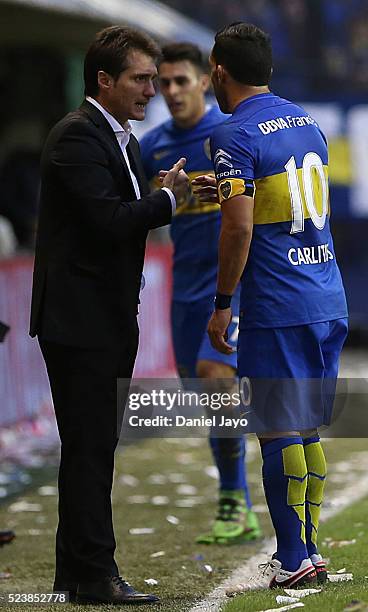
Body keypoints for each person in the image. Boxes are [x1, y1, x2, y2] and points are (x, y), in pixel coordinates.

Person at [29, 26, 188, 606]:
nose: (152, 90)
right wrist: (167, 201)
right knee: (91, 449)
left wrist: (156, 194)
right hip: (80, 322)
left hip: (106, 317)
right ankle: (95, 573)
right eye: (141, 79)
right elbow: (111, 221)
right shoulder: (77, 137)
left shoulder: (122, 140)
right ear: (104, 80)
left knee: (90, 448)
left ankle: (74, 573)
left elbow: (118, 214)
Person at [193, 22, 348, 592]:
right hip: (326, 294)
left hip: (278, 303)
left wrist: (223, 303)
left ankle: (293, 557)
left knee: (278, 432)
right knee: (304, 429)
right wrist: (229, 188)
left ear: (218, 72)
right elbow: (280, 195)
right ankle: (308, 547)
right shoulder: (307, 122)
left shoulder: (232, 134)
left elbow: (238, 230)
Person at [140, 43, 261, 545]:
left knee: (216, 381)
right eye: (163, 83)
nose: (171, 92)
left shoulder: (228, 133)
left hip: (226, 290)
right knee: (205, 396)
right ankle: (238, 500)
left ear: (205, 81)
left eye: (180, 81)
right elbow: (137, 212)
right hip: (182, 292)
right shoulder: (151, 148)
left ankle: (236, 502)